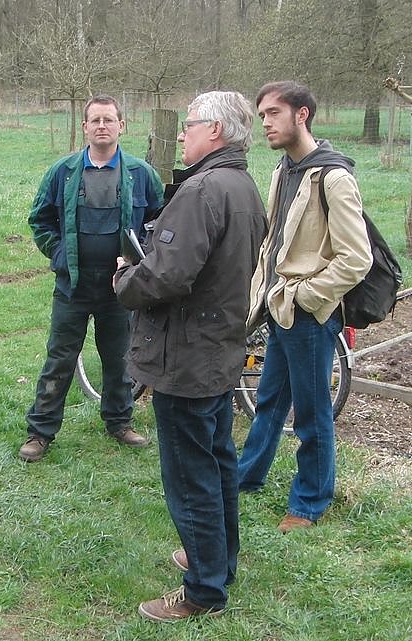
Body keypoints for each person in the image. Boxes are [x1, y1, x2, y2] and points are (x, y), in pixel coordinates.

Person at [114, 91, 267, 621]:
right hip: (217, 349)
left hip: (186, 356)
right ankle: (219, 559)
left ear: (215, 131)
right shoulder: (242, 186)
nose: (182, 133)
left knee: (190, 474)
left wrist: (125, 278)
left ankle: (203, 590)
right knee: (218, 460)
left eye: (190, 124)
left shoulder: (202, 190)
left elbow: (167, 275)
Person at [237, 81, 372, 533]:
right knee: (269, 401)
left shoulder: (333, 177)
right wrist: (267, 292)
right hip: (279, 307)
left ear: (302, 115)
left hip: (310, 316)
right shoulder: (284, 171)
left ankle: (310, 502)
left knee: (312, 414)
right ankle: (246, 476)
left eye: (274, 113)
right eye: (261, 115)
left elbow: (356, 258)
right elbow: (274, 240)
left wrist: (306, 296)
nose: (266, 123)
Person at [18, 95, 164, 463]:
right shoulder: (63, 172)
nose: (102, 126)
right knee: (60, 357)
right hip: (73, 286)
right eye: (95, 120)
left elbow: (159, 223)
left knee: (119, 358)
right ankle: (40, 431)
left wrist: (138, 261)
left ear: (121, 126)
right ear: (84, 127)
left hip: (120, 287)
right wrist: (59, 255)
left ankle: (119, 422)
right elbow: (40, 220)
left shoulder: (141, 174)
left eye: (108, 120)